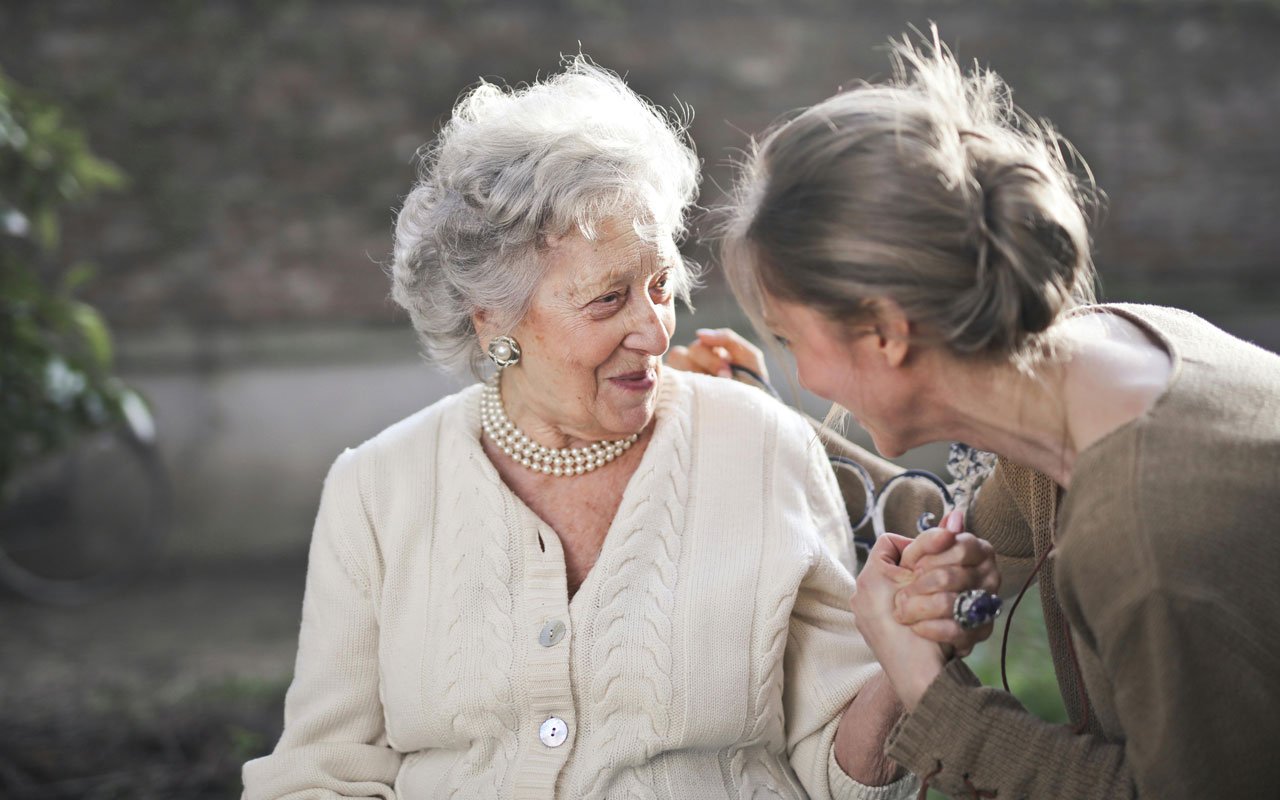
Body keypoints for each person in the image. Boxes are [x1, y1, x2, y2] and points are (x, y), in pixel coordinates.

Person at [240, 57, 997, 800]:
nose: (654, 331)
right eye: (608, 301)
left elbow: (836, 774)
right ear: (492, 320)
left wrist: (906, 656)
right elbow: (322, 772)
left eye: (661, 285)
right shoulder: (377, 490)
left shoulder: (763, 447)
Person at [689, 28, 1280, 799]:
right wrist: (936, 589)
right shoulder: (1101, 356)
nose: (804, 375)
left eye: (795, 339)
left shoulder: (1144, 533)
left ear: (885, 334)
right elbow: (968, 558)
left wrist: (935, 700)